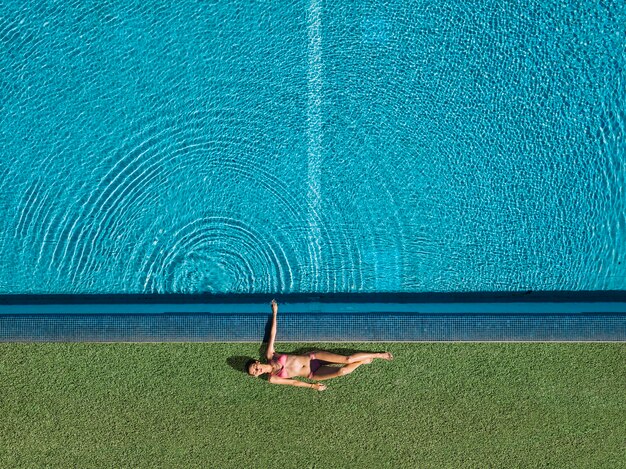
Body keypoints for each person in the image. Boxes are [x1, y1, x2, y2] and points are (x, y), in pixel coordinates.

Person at [247, 299, 393, 391]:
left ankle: (379, 355)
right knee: (342, 372)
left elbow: (273, 334)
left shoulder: (270, 355)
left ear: (257, 362)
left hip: (312, 358)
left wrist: (275, 313)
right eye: (254, 373)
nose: (256, 370)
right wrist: (313, 386)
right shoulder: (273, 378)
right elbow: (294, 383)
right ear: (256, 375)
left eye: (254, 368)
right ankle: (362, 361)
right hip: (312, 374)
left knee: (347, 359)